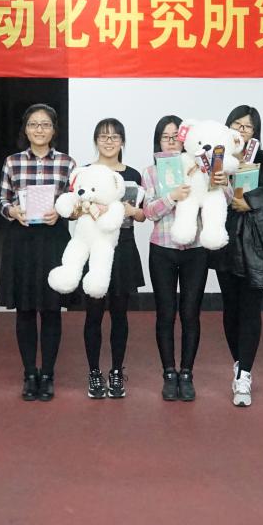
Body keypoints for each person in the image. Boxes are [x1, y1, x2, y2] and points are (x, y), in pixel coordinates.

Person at [212, 104, 263, 407]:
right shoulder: (216, 158)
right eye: (237, 124)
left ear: (255, 132)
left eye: (247, 127)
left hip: (255, 246)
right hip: (224, 243)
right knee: (230, 309)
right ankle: (238, 362)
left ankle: (245, 373)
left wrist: (250, 202)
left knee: (250, 309)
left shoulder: (262, 158)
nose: (241, 131)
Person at [0, 104, 77, 402]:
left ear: (54, 130)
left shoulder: (67, 163)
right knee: (25, 309)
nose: (39, 129)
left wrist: (62, 212)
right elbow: (2, 200)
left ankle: (49, 374)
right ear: (25, 129)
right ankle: (30, 373)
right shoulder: (12, 162)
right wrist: (12, 211)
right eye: (33, 124)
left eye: (45, 124)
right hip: (22, 240)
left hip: (53, 239)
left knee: (52, 308)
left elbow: (76, 202)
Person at [142, 115, 209, 402]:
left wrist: (216, 178)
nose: (170, 142)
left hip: (196, 249)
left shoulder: (200, 168)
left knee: (191, 313)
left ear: (184, 141)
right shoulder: (150, 172)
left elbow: (223, 197)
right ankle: (169, 373)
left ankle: (187, 373)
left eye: (175, 137)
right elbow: (148, 212)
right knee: (166, 313)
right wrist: (172, 197)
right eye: (165, 137)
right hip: (162, 248)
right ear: (157, 142)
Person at [80, 118, 145, 399]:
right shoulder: (84, 172)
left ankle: (117, 371)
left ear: (122, 142)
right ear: (96, 140)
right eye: (103, 136)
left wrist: (132, 211)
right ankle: (94, 372)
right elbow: (74, 211)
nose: (109, 141)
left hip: (123, 247)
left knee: (120, 314)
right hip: (94, 247)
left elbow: (142, 215)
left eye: (115, 137)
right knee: (93, 314)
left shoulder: (133, 175)